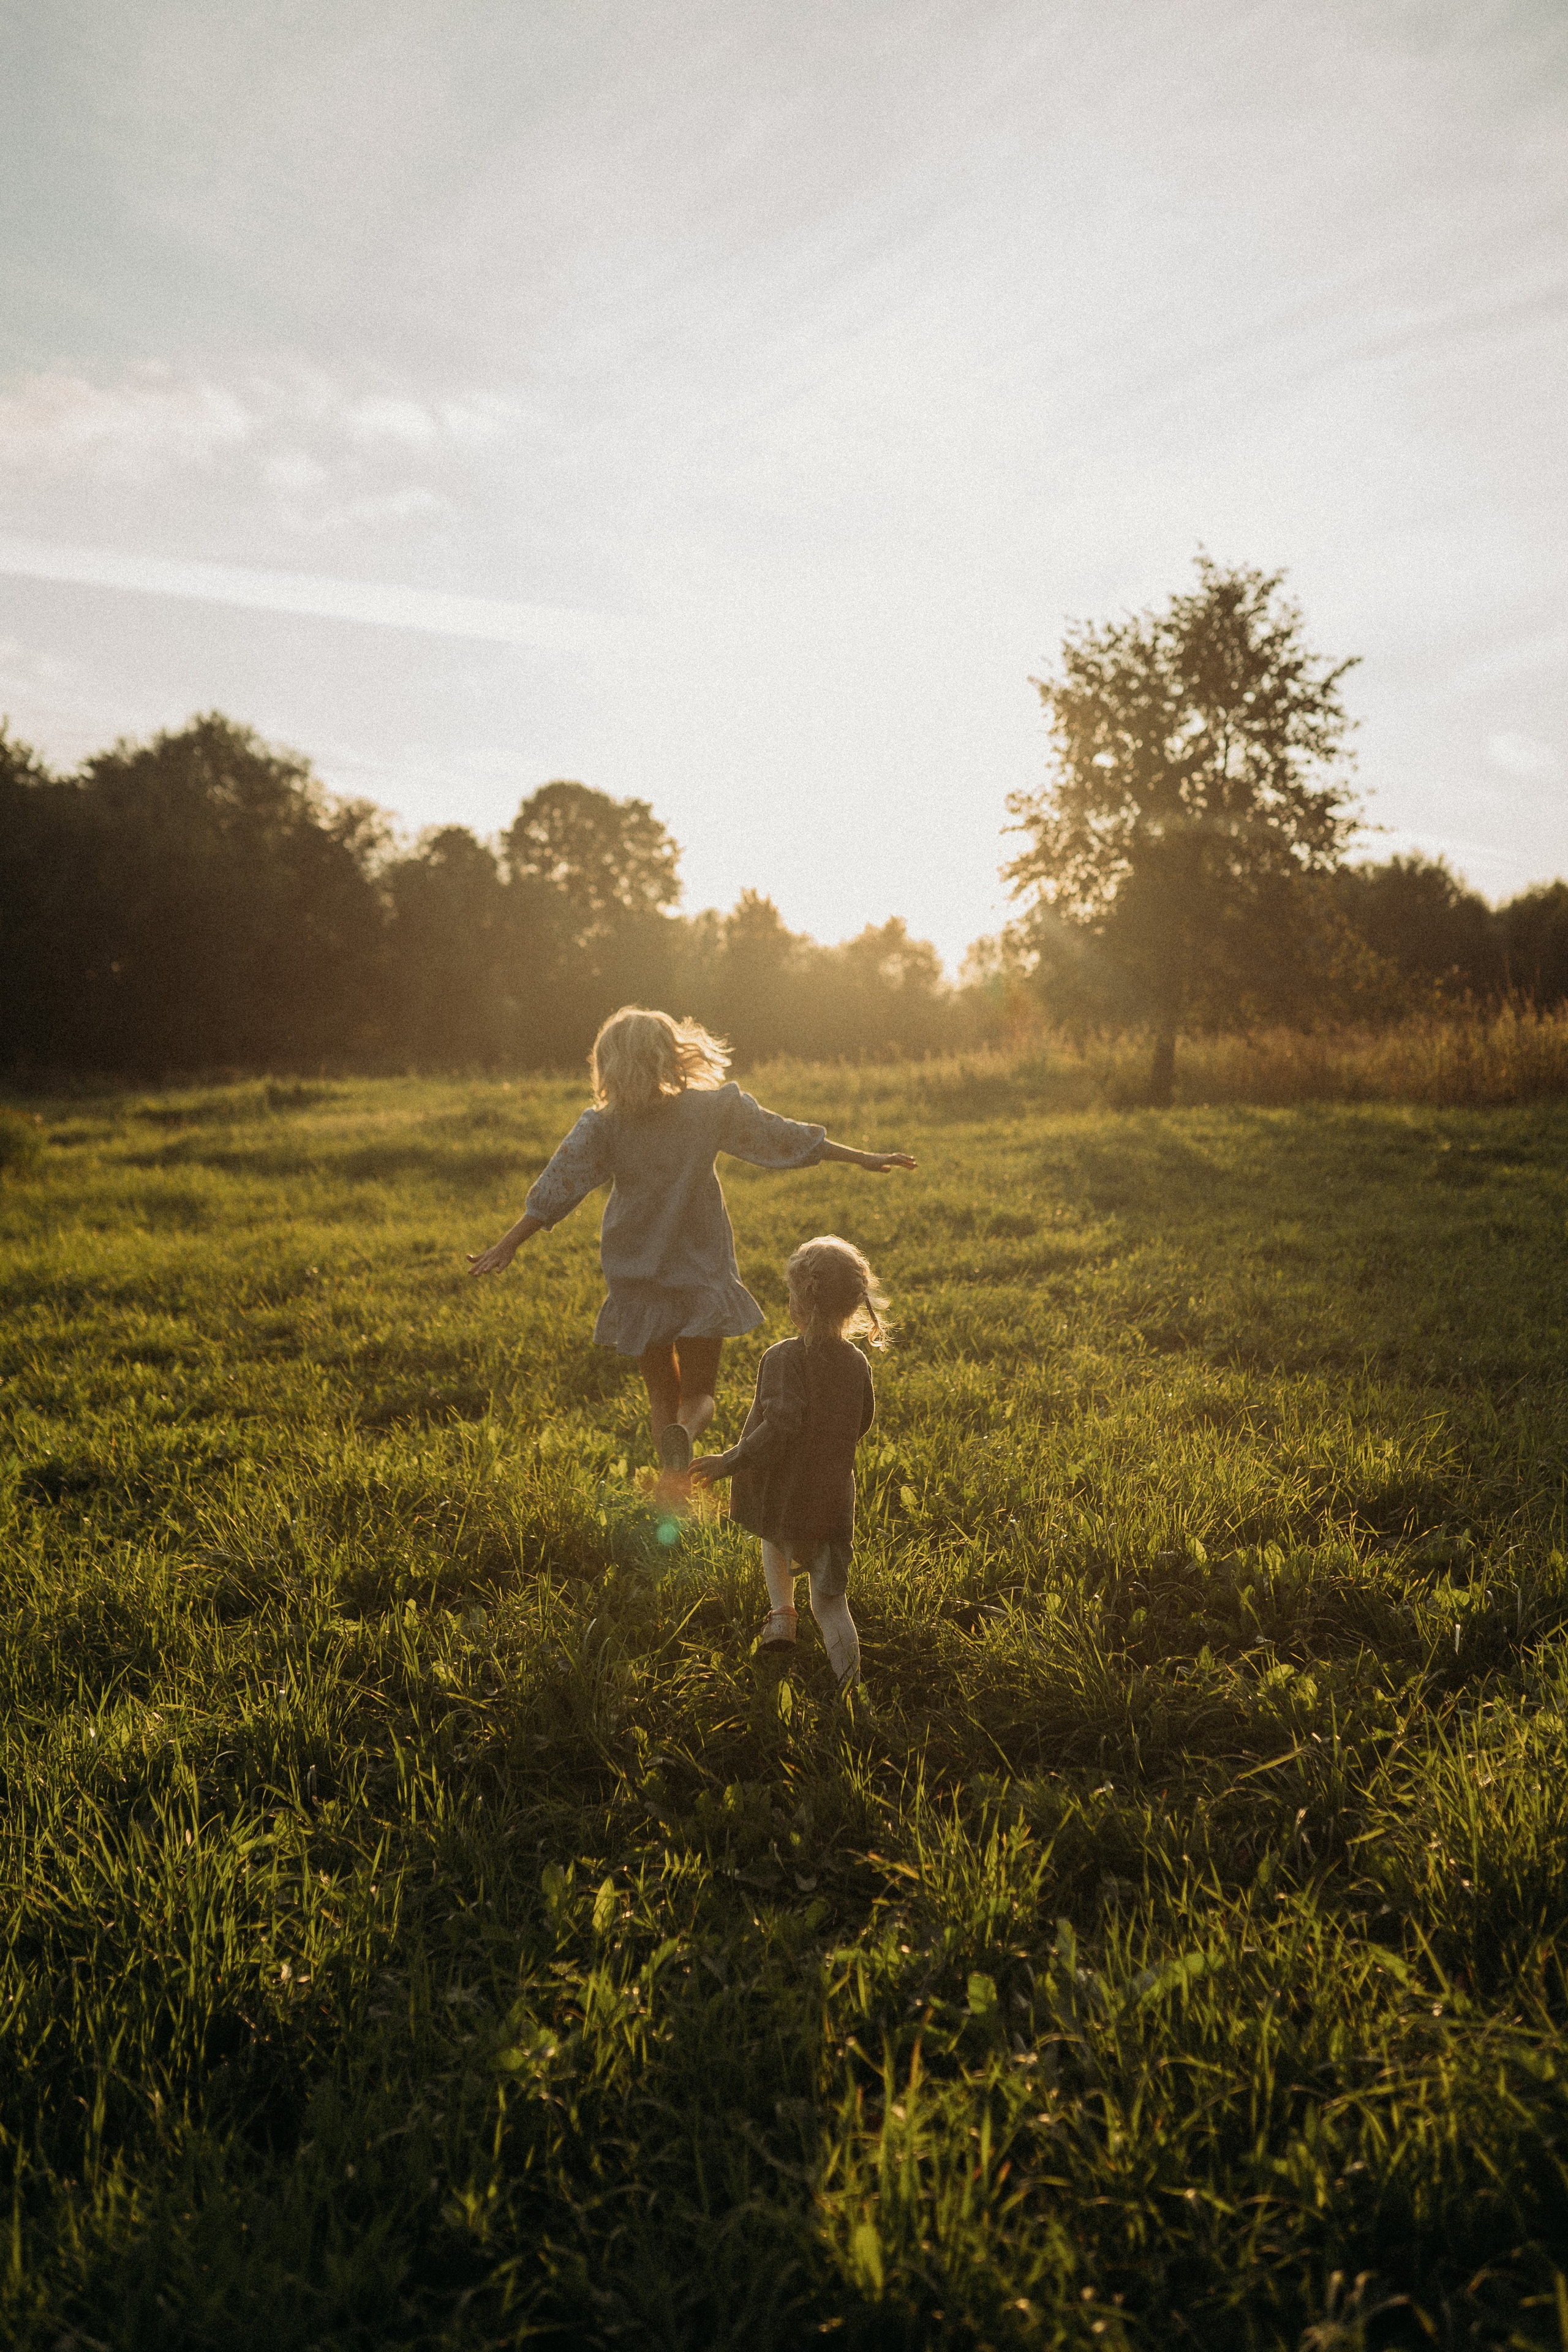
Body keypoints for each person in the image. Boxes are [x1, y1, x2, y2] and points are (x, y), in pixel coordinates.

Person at [467, 1006, 914, 1467]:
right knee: (700, 1392)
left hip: (635, 1271)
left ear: (610, 1065)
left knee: (662, 1392)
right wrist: (862, 1157)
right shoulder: (710, 1110)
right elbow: (784, 1138)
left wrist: (508, 1244)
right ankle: (687, 1431)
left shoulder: (603, 1125)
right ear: (670, 1054)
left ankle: (672, 1486)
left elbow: (558, 1186)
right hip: (701, 1268)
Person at [690, 1234, 888, 1692]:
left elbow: (781, 1426)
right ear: (853, 1304)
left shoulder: (783, 1357)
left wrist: (730, 1460)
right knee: (832, 1604)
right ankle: (852, 1694)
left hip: (784, 1494)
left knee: (774, 1536)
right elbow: (863, 1422)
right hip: (833, 1500)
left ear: (799, 1302)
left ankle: (782, 1615)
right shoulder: (857, 1362)